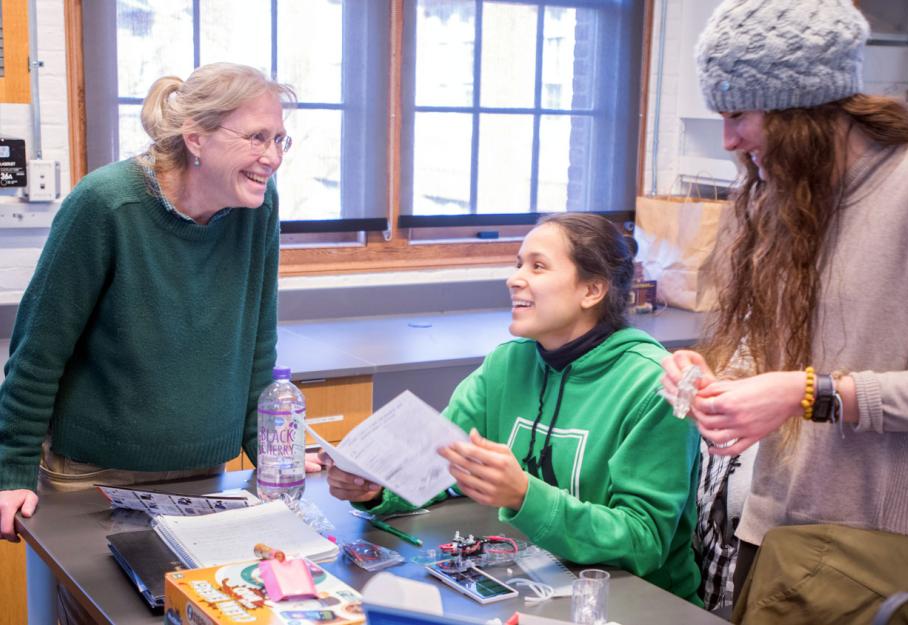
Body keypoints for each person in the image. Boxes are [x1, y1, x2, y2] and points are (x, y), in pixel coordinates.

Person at [661, 0, 908, 606]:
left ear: (805, 109)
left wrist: (814, 393)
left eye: (739, 113)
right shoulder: (777, 195)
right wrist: (720, 385)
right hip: (778, 540)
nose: (729, 138)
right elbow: (779, 358)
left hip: (898, 561)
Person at [0, 62, 306, 547]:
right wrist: (11, 469)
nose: (271, 157)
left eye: (279, 140)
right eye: (256, 137)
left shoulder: (258, 207)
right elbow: (39, 349)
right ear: (196, 138)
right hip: (93, 477)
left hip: (204, 474)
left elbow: (257, 344)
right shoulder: (106, 204)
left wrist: (270, 453)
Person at [326, 213, 703, 603]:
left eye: (538, 266)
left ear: (592, 289)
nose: (514, 278)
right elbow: (438, 465)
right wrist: (373, 487)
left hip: (640, 602)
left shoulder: (656, 385)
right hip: (536, 583)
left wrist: (524, 495)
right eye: (518, 263)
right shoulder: (506, 365)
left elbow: (644, 541)